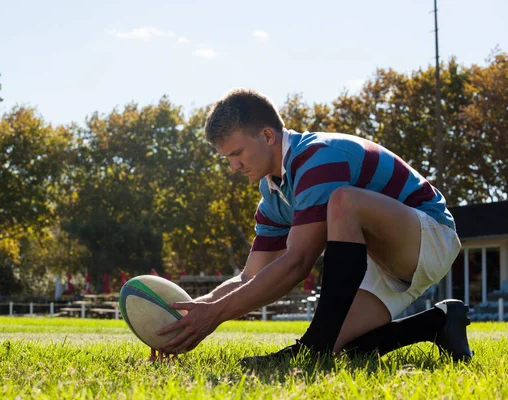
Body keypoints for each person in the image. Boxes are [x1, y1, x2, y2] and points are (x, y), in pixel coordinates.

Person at [156, 88, 473, 365]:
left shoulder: (317, 157)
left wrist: (215, 316)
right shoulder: (272, 194)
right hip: (381, 259)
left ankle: (314, 345)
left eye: (237, 153)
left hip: (429, 236)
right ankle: (439, 321)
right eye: (227, 157)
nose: (233, 166)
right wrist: (194, 313)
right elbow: (251, 277)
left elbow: (297, 262)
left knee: (343, 201)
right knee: (345, 348)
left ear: (267, 136)